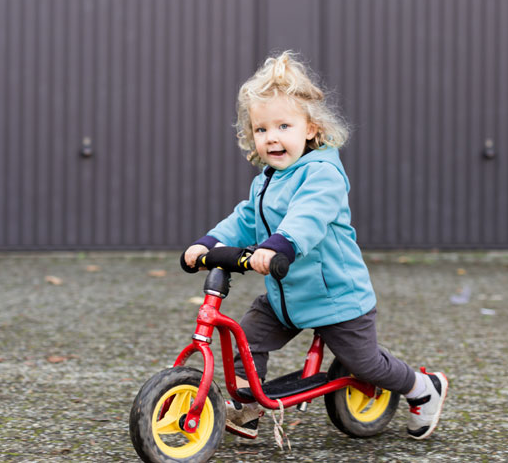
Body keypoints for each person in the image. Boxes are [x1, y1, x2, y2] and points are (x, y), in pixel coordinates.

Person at [182, 51, 447, 440]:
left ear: (310, 129)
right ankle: (248, 405)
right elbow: (244, 218)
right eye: (261, 129)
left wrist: (279, 245)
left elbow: (307, 217)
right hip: (286, 295)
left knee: (365, 364)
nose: (271, 137)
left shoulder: (323, 175)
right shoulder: (267, 180)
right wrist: (209, 243)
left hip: (337, 296)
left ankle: (423, 387)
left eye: (283, 126)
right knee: (245, 339)